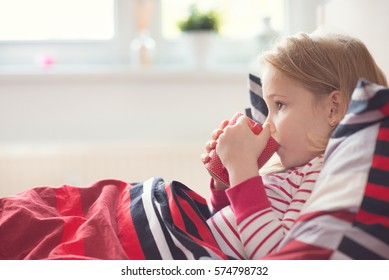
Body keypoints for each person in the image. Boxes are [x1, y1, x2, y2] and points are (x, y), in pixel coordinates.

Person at [201, 29, 388, 259]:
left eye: (280, 105)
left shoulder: (320, 174)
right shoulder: (289, 172)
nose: (268, 125)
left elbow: (275, 257)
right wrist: (224, 184)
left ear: (333, 109)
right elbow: (231, 233)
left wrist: (242, 171)